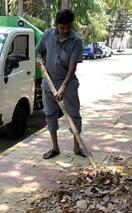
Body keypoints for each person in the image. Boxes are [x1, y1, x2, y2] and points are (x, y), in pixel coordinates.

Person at [36, 9, 85, 160]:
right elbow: (38, 52)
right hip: (48, 83)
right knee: (50, 115)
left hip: (68, 84)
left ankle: (77, 148)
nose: (65, 30)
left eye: (68, 27)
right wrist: (39, 60)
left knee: (74, 116)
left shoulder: (76, 40)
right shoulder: (48, 35)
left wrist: (63, 87)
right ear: (56, 25)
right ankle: (55, 148)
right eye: (62, 27)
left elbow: (72, 67)